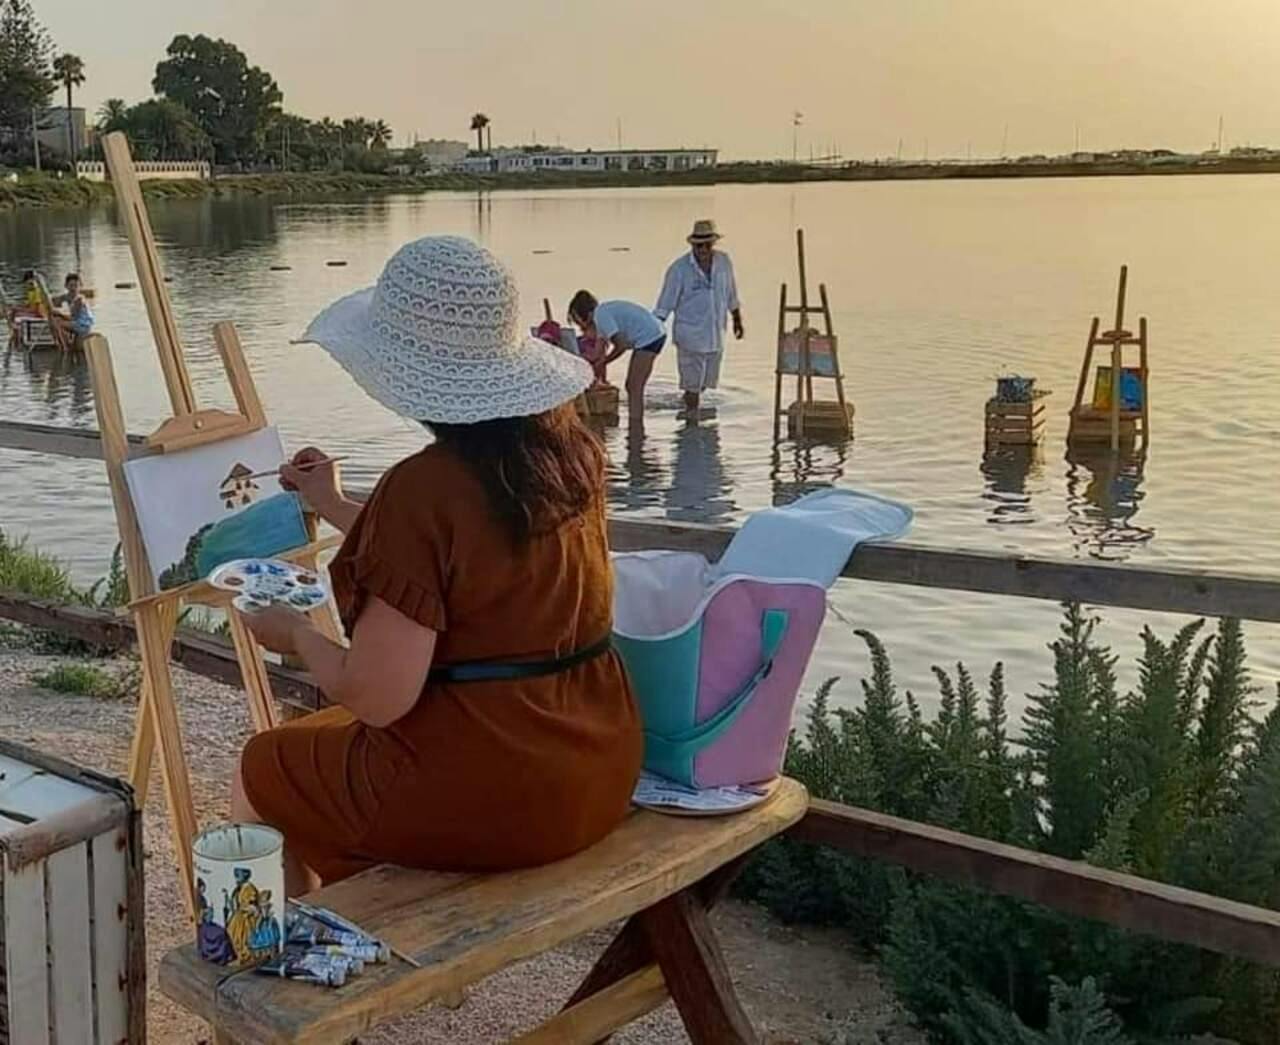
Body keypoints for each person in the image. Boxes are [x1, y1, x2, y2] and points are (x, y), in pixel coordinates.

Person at [230, 235, 643, 895]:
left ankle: (275, 974)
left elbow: (376, 696)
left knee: (262, 765)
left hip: (494, 797)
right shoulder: (571, 458)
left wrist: (297, 636)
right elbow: (475, 560)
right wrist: (333, 502)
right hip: (600, 766)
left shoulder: (423, 489)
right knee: (324, 749)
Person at [654, 219, 744, 415]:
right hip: (690, 337)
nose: (703, 249)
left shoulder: (724, 262)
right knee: (693, 387)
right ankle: (691, 423)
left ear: (713, 244)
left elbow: (731, 292)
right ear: (692, 245)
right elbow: (664, 304)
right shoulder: (679, 269)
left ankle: (689, 409)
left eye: (707, 245)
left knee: (705, 384)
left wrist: (737, 318)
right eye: (698, 245)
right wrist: (652, 331)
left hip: (715, 334)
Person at [567, 290, 665, 425]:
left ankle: (636, 425)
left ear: (588, 315)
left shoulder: (601, 315)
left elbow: (621, 345)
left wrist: (604, 361)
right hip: (654, 332)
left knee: (634, 386)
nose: (581, 328)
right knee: (634, 386)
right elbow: (596, 354)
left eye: (579, 322)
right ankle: (636, 422)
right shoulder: (601, 322)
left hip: (650, 336)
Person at [50, 272, 93, 346]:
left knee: (57, 322)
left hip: (83, 325)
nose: (73, 288)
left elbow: (72, 317)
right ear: (66, 286)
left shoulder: (79, 299)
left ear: (80, 287)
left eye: (76, 286)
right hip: (76, 323)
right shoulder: (67, 296)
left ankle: (64, 345)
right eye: (71, 286)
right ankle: (65, 342)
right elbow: (54, 300)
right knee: (55, 319)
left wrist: (59, 313)